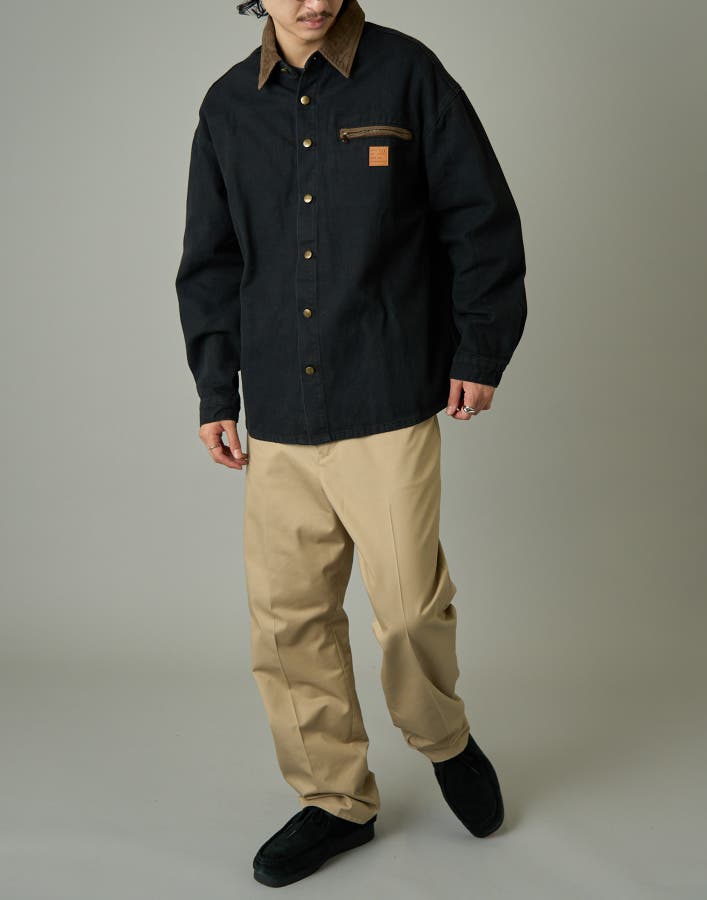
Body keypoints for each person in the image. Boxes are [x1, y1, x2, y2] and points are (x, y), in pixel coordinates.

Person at [175, 0, 527, 887]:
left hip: (386, 390)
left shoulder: (407, 74)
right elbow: (211, 260)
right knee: (288, 621)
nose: (314, 0)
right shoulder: (227, 106)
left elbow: (479, 215)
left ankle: (443, 737)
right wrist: (216, 389)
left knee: (408, 606)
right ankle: (335, 800)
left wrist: (480, 349)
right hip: (279, 410)